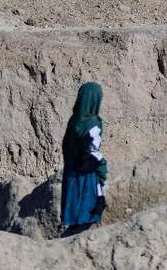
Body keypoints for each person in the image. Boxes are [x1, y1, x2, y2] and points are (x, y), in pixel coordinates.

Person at [61, 82, 108, 235]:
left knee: (73, 205)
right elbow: (92, 152)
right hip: (85, 174)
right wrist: (102, 167)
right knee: (87, 209)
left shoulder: (73, 120)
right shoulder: (93, 123)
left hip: (71, 171)